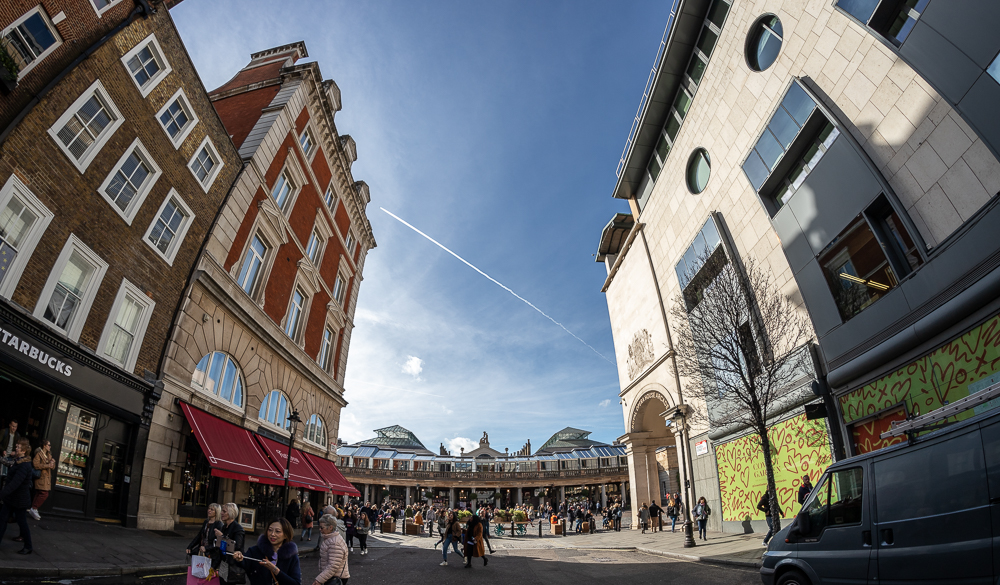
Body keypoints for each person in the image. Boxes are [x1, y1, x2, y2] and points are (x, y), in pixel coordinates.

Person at [233, 518, 301, 585]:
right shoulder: (255, 550)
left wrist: (276, 571)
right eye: (270, 530)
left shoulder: (292, 556)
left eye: (277, 531)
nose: (272, 534)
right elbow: (244, 562)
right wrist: (239, 559)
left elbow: (296, 583)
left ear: (286, 535)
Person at [0, 438, 33, 554]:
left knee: (22, 522)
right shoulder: (18, 460)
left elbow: (15, 483)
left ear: (24, 451)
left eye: (18, 447)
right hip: (11, 499)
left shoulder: (24, 465)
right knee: (2, 520)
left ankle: (28, 546)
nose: (16, 448)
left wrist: (2, 494)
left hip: (19, 500)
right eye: (17, 446)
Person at [213, 502, 246, 585]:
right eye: (222, 511)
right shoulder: (224, 527)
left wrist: (222, 536)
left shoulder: (238, 529)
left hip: (232, 566)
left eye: (224, 511)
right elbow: (221, 548)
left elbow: (237, 547)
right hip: (224, 564)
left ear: (231, 513)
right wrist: (214, 566)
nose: (221, 513)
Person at [313, 514, 348, 585]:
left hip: (335, 578)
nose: (320, 529)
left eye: (322, 528)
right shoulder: (331, 539)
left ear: (330, 527)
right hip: (331, 577)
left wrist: (319, 580)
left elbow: (333, 566)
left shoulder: (334, 543)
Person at [29, 440, 55, 520]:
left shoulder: (49, 455)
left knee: (39, 493)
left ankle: (33, 508)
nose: (50, 446)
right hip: (41, 477)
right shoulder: (39, 454)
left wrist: (53, 463)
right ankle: (34, 508)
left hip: (46, 477)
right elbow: (36, 465)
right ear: (44, 445)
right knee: (44, 493)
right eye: (48, 445)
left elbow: (52, 467)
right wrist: (47, 465)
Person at [0, 420, 20, 487]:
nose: (14, 428)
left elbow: (18, 446)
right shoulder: (4, 432)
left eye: (15, 427)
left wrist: (14, 451)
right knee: (1, 475)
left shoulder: (17, 435)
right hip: (3, 457)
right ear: (10, 425)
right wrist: (2, 450)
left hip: (10, 458)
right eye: (13, 426)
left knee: (7, 476)